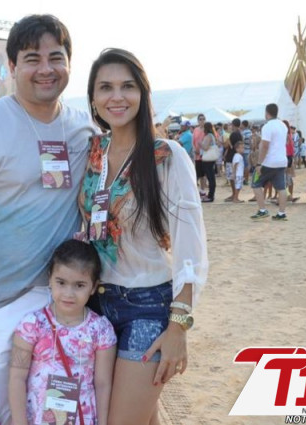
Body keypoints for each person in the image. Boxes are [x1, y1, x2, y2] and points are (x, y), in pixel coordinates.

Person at [0, 14, 96, 425]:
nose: (46, 69)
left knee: (58, 411)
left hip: (65, 300)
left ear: (69, 63)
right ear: (11, 66)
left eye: (55, 57)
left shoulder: (84, 128)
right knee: (4, 413)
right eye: (32, 59)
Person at [79, 48, 208, 425]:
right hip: (94, 307)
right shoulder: (92, 152)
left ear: (143, 93)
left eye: (127, 86)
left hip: (147, 306)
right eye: (105, 87)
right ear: (93, 98)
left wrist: (179, 325)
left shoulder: (167, 155)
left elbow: (190, 246)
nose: (116, 96)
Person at [9, 240, 116, 425]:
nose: (69, 293)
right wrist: (19, 421)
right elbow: (17, 376)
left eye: (79, 285)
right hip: (36, 418)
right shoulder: (32, 324)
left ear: (93, 286)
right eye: (61, 282)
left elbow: (103, 384)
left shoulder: (101, 330)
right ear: (50, 279)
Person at [251, 103, 289, 220]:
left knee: (255, 184)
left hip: (269, 162)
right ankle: (281, 213)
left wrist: (259, 163)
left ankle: (262, 210)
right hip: (281, 160)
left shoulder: (267, 127)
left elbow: (265, 146)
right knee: (281, 188)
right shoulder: (283, 125)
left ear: (267, 113)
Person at [224, 119, 242, 202]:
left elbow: (228, 146)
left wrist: (227, 141)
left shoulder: (233, 134)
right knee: (235, 176)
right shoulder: (239, 134)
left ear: (233, 125)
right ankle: (235, 194)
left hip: (231, 157)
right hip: (236, 156)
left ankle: (234, 194)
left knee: (232, 177)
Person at [199, 122, 218, 202]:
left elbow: (205, 147)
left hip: (208, 160)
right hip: (211, 159)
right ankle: (211, 195)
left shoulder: (208, 136)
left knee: (210, 178)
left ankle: (210, 196)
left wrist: (200, 143)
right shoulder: (212, 135)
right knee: (211, 177)